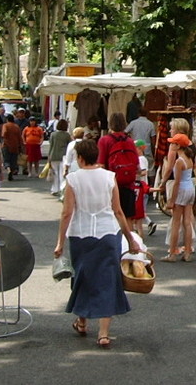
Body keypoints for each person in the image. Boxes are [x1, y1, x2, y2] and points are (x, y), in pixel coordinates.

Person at [53, 138, 142, 347]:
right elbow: (118, 211)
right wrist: (130, 238)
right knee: (108, 281)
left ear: (80, 158)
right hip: (108, 233)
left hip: (81, 234)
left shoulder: (73, 179)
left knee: (82, 277)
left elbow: (67, 213)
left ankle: (82, 321)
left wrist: (60, 243)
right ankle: (103, 333)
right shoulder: (110, 177)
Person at [163, 132, 196, 262]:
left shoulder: (179, 161)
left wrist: (171, 199)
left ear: (178, 145)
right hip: (190, 189)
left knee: (176, 223)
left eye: (173, 143)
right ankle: (187, 252)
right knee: (187, 222)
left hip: (181, 190)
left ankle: (172, 253)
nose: (171, 145)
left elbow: (176, 182)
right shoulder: (189, 158)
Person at [47, 120, 71, 196]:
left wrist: (49, 157)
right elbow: (69, 145)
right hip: (63, 155)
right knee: (61, 173)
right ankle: (61, 189)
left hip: (53, 155)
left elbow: (51, 146)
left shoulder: (53, 134)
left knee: (55, 173)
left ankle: (54, 189)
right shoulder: (67, 135)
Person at [0, 115, 21, 180]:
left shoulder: (5, 125)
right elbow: (19, 137)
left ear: (7, 119)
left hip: (6, 144)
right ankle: (11, 174)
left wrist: (4, 139)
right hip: (15, 145)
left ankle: (8, 169)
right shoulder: (16, 127)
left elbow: (4, 133)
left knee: (6, 159)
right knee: (13, 161)